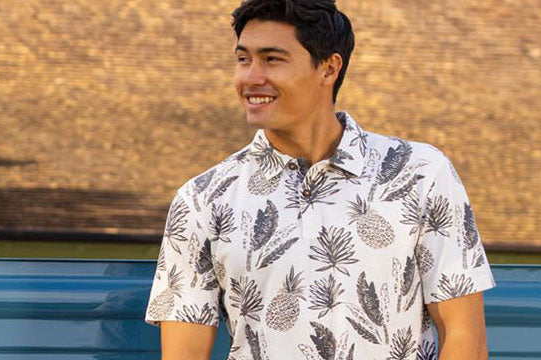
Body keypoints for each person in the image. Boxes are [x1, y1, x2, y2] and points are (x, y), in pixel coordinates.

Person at [142, 0, 493, 359]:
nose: (250, 78)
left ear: (328, 68)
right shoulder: (203, 199)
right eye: (243, 59)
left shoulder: (419, 173)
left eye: (272, 59)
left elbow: (465, 337)